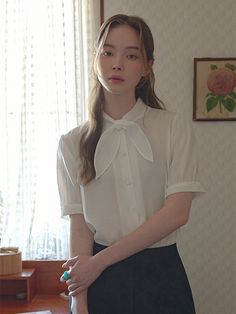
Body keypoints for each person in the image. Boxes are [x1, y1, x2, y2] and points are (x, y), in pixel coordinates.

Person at [57, 14, 204, 314]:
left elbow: (177, 213)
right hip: (101, 283)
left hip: (162, 274)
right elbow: (80, 226)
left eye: (131, 55)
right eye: (108, 52)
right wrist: (79, 301)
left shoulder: (173, 127)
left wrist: (97, 263)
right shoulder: (72, 142)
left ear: (148, 67)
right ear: (96, 58)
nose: (117, 64)